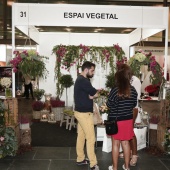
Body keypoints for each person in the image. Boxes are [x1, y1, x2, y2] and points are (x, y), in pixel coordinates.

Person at [106, 64, 138, 170]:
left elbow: (109, 104)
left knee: (115, 144)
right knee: (125, 143)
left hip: (116, 120)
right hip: (128, 120)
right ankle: (127, 167)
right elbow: (133, 104)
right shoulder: (133, 90)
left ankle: (115, 168)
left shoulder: (115, 90)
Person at [74, 61, 99, 170]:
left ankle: (80, 159)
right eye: (92, 70)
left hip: (80, 112)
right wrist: (93, 95)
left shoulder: (81, 79)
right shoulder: (84, 81)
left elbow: (91, 94)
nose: (93, 73)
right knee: (91, 138)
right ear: (86, 70)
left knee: (82, 136)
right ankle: (93, 164)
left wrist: (92, 95)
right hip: (84, 114)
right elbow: (95, 92)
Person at [119, 74, 142, 166]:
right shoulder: (127, 80)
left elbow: (135, 96)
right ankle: (128, 151)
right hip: (128, 109)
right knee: (126, 132)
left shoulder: (135, 80)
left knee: (130, 132)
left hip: (133, 109)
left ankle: (135, 155)